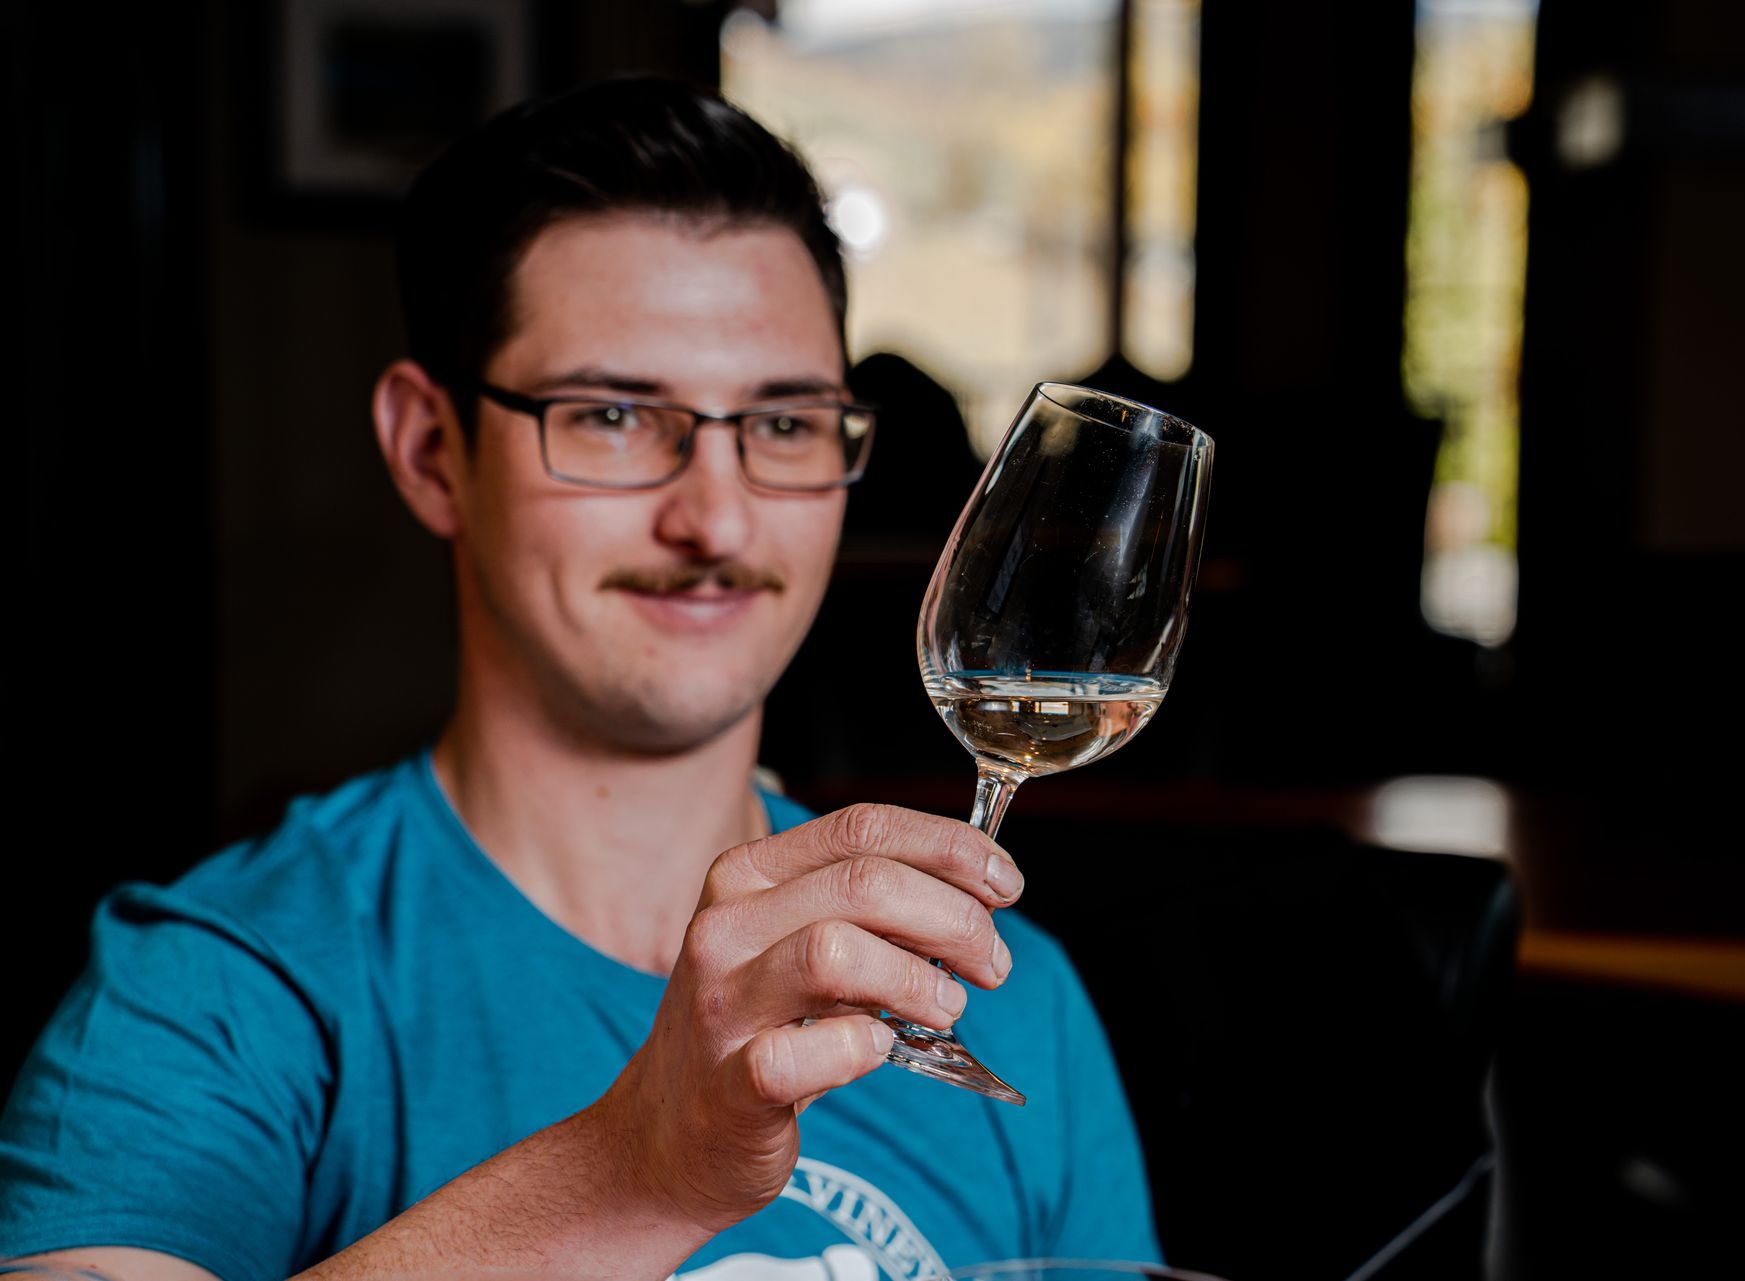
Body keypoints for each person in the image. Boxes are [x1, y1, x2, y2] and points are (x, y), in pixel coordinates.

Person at [0, 78, 1156, 1281]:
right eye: (612, 415)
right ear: (430, 451)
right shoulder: (216, 987)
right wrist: (634, 1173)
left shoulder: (1006, 998)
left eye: (783, 424)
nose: (716, 521)